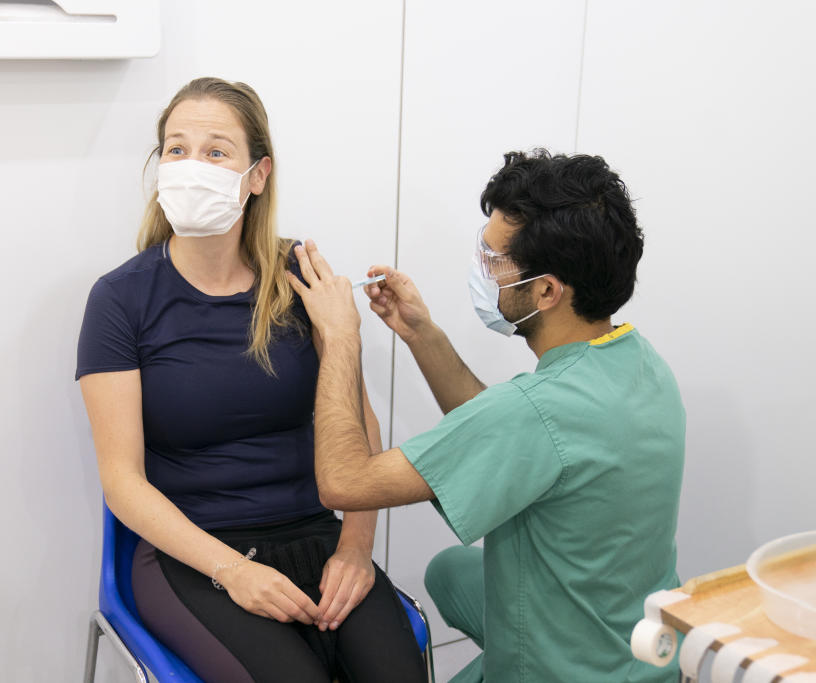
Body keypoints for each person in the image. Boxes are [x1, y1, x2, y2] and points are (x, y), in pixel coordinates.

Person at [286, 149, 685, 683]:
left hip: (568, 674)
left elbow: (342, 483)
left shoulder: (534, 410)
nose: (483, 269)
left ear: (546, 290)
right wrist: (419, 331)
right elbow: (511, 437)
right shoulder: (639, 361)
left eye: (496, 262)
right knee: (449, 571)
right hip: (645, 650)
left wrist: (339, 339)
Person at [76, 77, 425, 683]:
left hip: (319, 535)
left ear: (258, 174)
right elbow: (122, 482)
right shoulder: (120, 300)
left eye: (216, 152)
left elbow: (359, 424)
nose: (191, 167)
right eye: (176, 149)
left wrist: (356, 547)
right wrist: (232, 571)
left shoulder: (300, 276)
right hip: (193, 554)